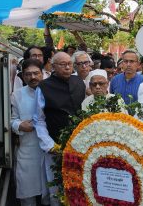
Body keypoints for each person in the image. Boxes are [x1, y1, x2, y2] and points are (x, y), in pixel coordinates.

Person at [33, 52, 85, 205]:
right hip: (55, 145)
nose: (68, 67)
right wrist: (49, 144)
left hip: (79, 145)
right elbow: (39, 119)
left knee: (78, 185)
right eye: (63, 64)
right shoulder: (44, 86)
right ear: (53, 66)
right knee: (56, 186)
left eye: (70, 63)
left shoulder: (79, 82)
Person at [11, 59, 45, 206]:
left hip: (48, 152)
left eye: (36, 73)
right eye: (28, 74)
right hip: (28, 151)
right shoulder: (17, 95)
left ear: (42, 74)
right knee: (27, 194)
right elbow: (11, 120)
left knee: (49, 193)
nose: (33, 77)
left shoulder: (50, 92)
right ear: (23, 77)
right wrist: (20, 125)